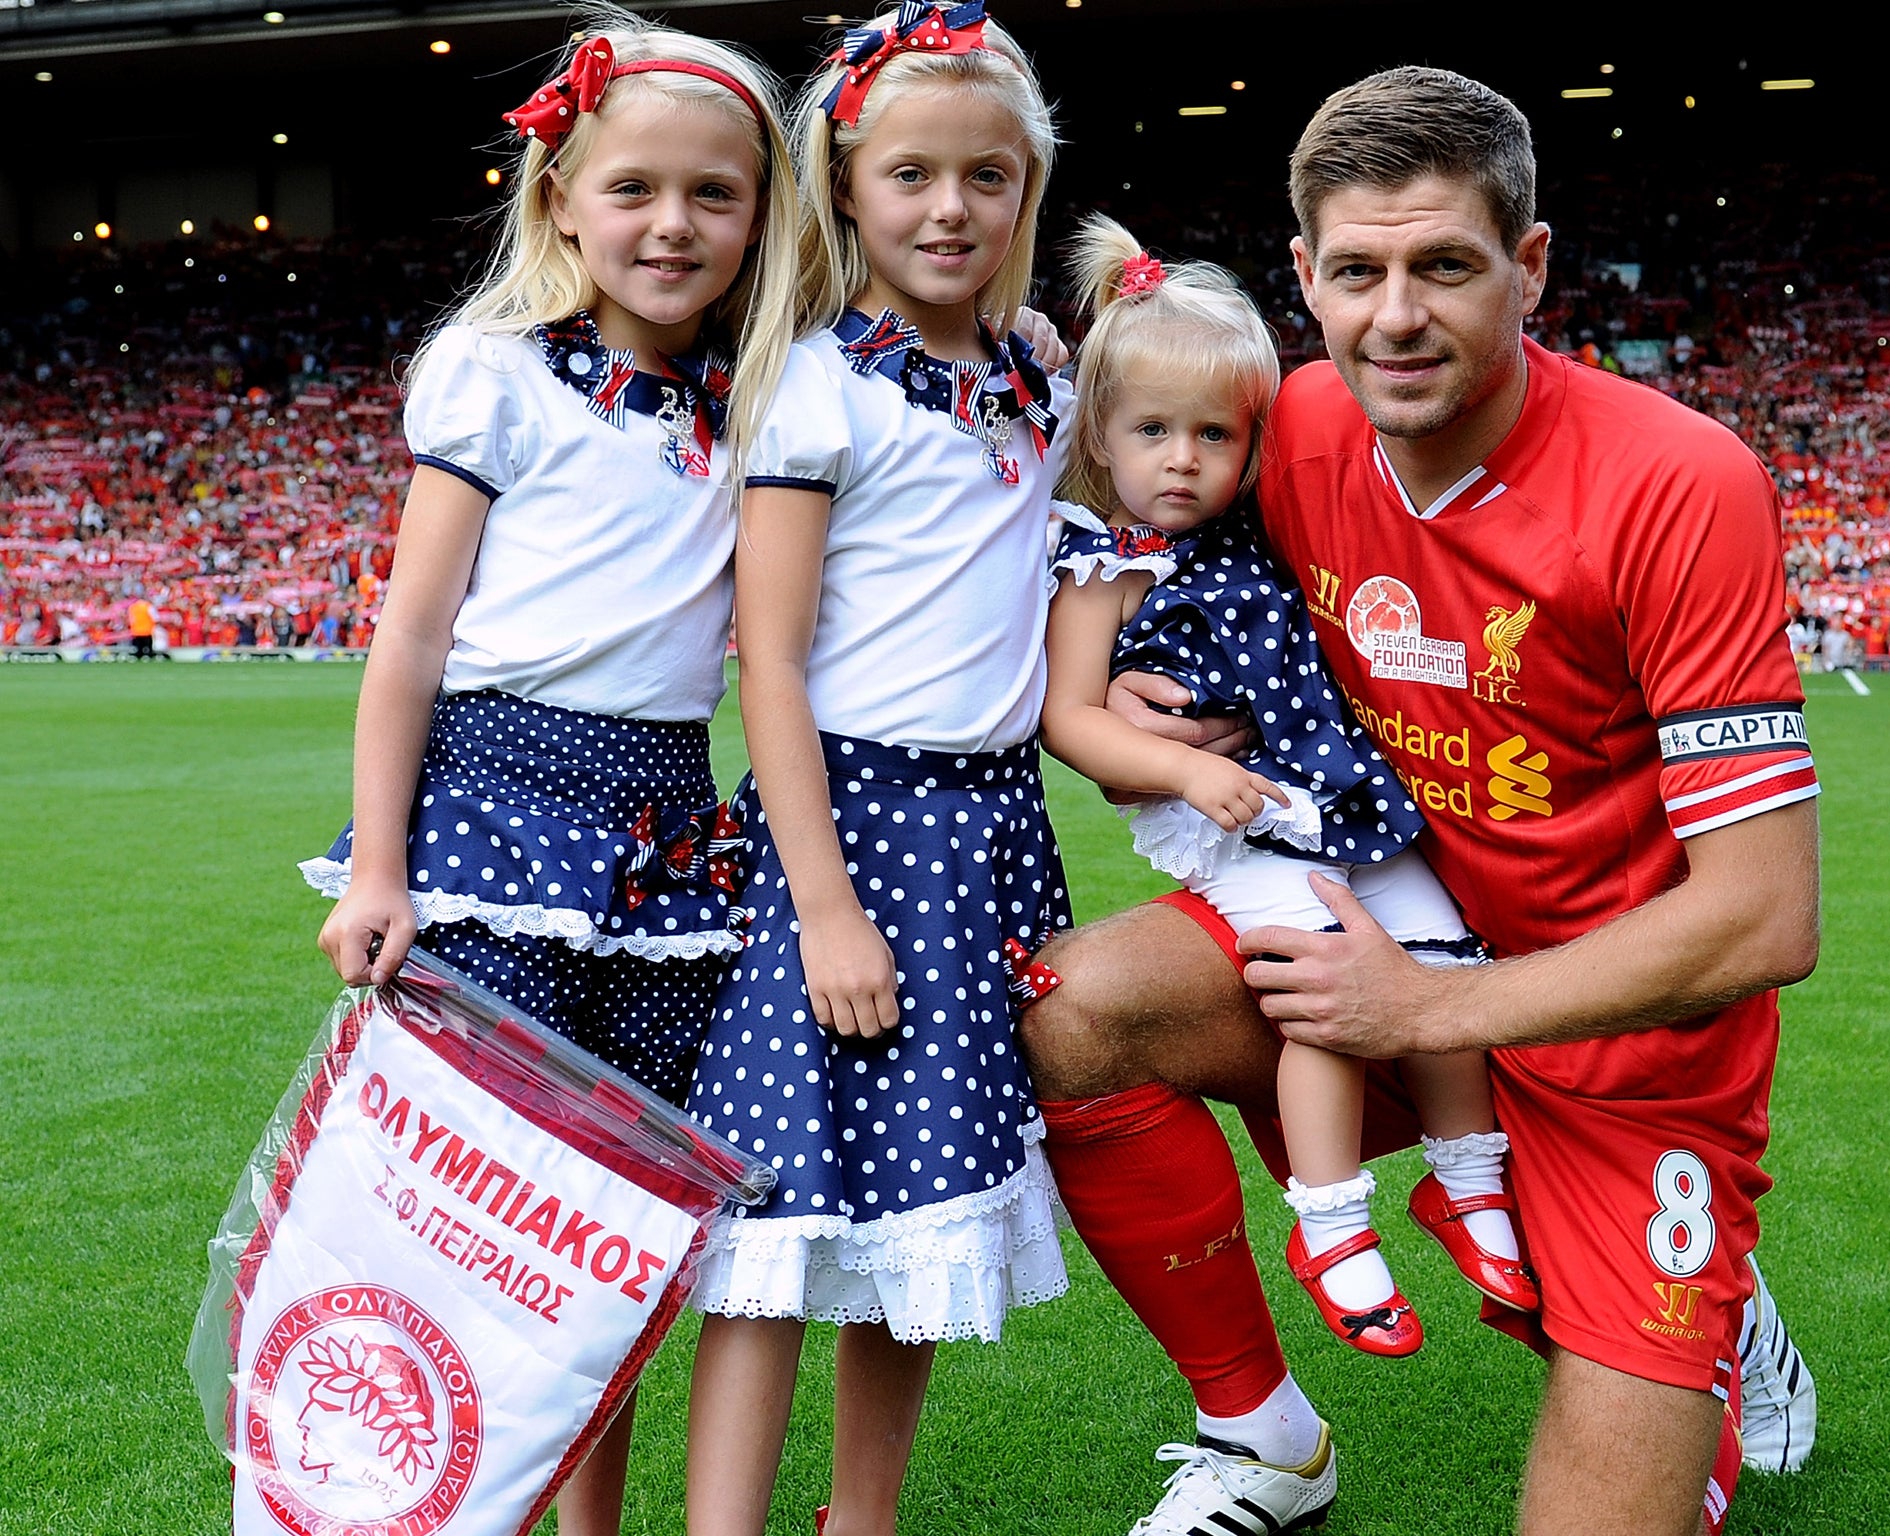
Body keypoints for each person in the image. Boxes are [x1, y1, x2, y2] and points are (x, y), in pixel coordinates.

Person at [1019, 67, 1821, 1536]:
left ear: (1528, 268)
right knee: (1072, 1008)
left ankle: (1712, 1325)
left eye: (1445, 266)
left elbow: (1766, 918)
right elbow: (1121, 498)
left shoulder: (1679, 480)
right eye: (1357, 271)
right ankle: (1263, 1443)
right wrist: (1135, 698)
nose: (1397, 314)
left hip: (1618, 1041)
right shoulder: (1296, 428)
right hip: (1377, 931)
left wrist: (1422, 1013)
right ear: (1305, 279)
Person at [298, 19, 801, 1534]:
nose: (672, 224)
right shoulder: (498, 376)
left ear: (762, 220)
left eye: (715, 195)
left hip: (658, 830)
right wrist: (381, 864)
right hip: (496, 818)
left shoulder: (765, 398)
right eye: (633, 187)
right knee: (482, 1221)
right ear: (560, 199)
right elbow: (409, 642)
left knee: (615, 1226)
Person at [678, 8, 1070, 1533]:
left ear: (1027, 188)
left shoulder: (1038, 369)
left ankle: (866, 1515)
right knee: (776, 1207)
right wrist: (825, 906)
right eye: (911, 173)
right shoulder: (818, 386)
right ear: (846, 186)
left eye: (987, 173)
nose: (950, 207)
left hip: (988, 836)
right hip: (844, 828)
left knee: (921, 1200)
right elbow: (766, 659)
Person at [1039, 216, 1534, 1360]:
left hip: (1331, 789)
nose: (1181, 460)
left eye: (1213, 435)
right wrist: (1181, 763)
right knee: (1325, 976)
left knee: (1441, 957)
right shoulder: (1099, 567)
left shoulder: (1255, 533)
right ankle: (1328, 1222)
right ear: (1099, 439)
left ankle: (1471, 1183)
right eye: (1151, 431)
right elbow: (1067, 720)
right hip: (1230, 814)